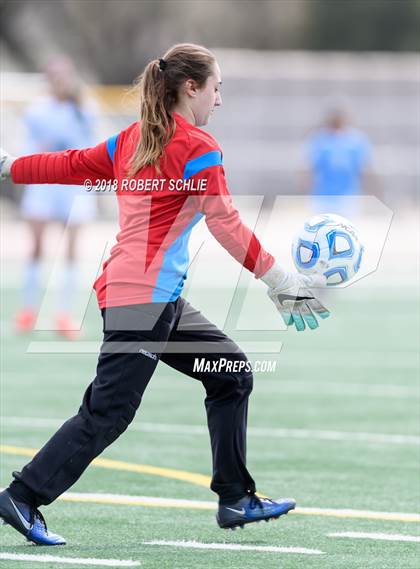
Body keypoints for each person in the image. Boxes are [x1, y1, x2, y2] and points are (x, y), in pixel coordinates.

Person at [0, 43, 329, 545]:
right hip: (143, 299)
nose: (219, 99)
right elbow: (226, 223)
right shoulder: (198, 147)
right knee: (108, 413)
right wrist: (280, 282)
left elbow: (67, 164)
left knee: (231, 374)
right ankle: (23, 497)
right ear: (191, 88)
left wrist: (7, 168)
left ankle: (236, 497)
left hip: (152, 299)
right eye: (216, 88)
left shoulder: (130, 140)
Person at [14, 57, 97, 339]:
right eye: (54, 76)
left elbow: (89, 142)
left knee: (71, 250)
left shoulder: (84, 107)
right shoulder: (38, 110)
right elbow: (34, 145)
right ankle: (28, 310)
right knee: (36, 246)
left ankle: (64, 313)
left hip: (73, 186)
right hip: (44, 184)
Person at [304, 104, 372, 216]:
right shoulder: (319, 139)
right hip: (323, 196)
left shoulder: (356, 140)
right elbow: (310, 166)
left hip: (347, 197)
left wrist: (371, 190)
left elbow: (364, 168)